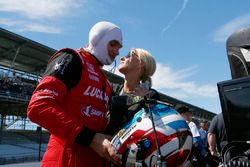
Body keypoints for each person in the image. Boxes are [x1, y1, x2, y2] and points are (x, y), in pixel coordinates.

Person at [27, 21, 123, 167]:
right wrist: (90, 138)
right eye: (113, 44)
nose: (117, 51)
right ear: (97, 38)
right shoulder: (72, 59)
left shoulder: (106, 82)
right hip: (65, 160)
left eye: (119, 47)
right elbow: (39, 106)